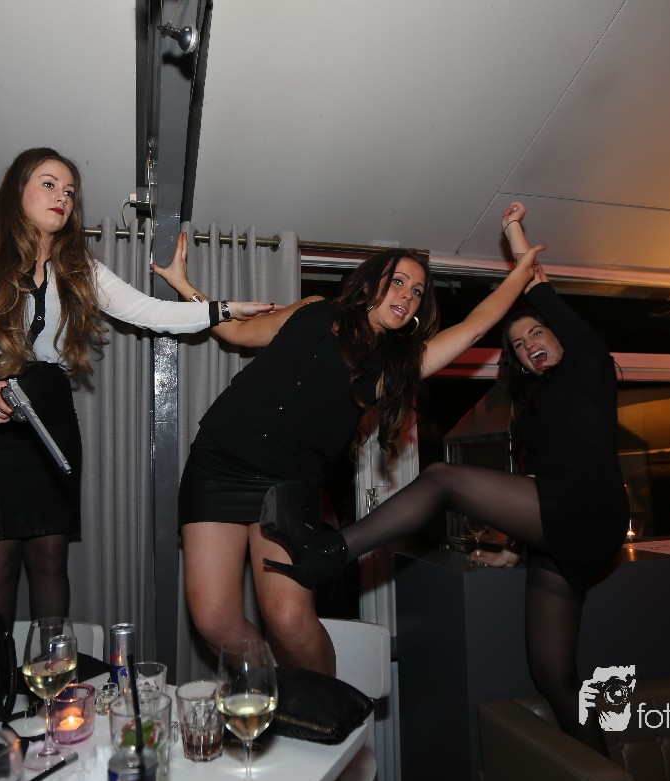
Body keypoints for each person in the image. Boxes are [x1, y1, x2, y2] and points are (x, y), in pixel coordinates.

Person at [260, 202, 627, 751]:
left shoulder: (590, 365)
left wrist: (513, 232)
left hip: (591, 510)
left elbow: (539, 284)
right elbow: (538, 481)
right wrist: (516, 550)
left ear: (561, 334)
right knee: (552, 673)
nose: (530, 346)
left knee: (441, 479)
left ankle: (331, 551)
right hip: (564, 532)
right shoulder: (537, 405)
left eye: (537, 334)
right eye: (519, 346)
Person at [152, 210, 545, 674]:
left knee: (289, 620)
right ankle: (267, 697)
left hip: (288, 484)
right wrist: (184, 284)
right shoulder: (313, 308)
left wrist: (519, 274)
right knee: (213, 620)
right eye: (399, 282)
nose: (408, 296)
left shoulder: (399, 364)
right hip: (218, 463)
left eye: (417, 292)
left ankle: (329, 706)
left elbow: (475, 326)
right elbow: (235, 330)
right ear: (372, 282)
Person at [0, 147, 276, 626]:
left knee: (50, 559)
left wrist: (224, 309)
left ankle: (55, 672)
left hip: (50, 410)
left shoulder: (78, 267)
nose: (62, 197)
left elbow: (151, 312)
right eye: (49, 184)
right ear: (16, 190)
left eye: (69, 191)